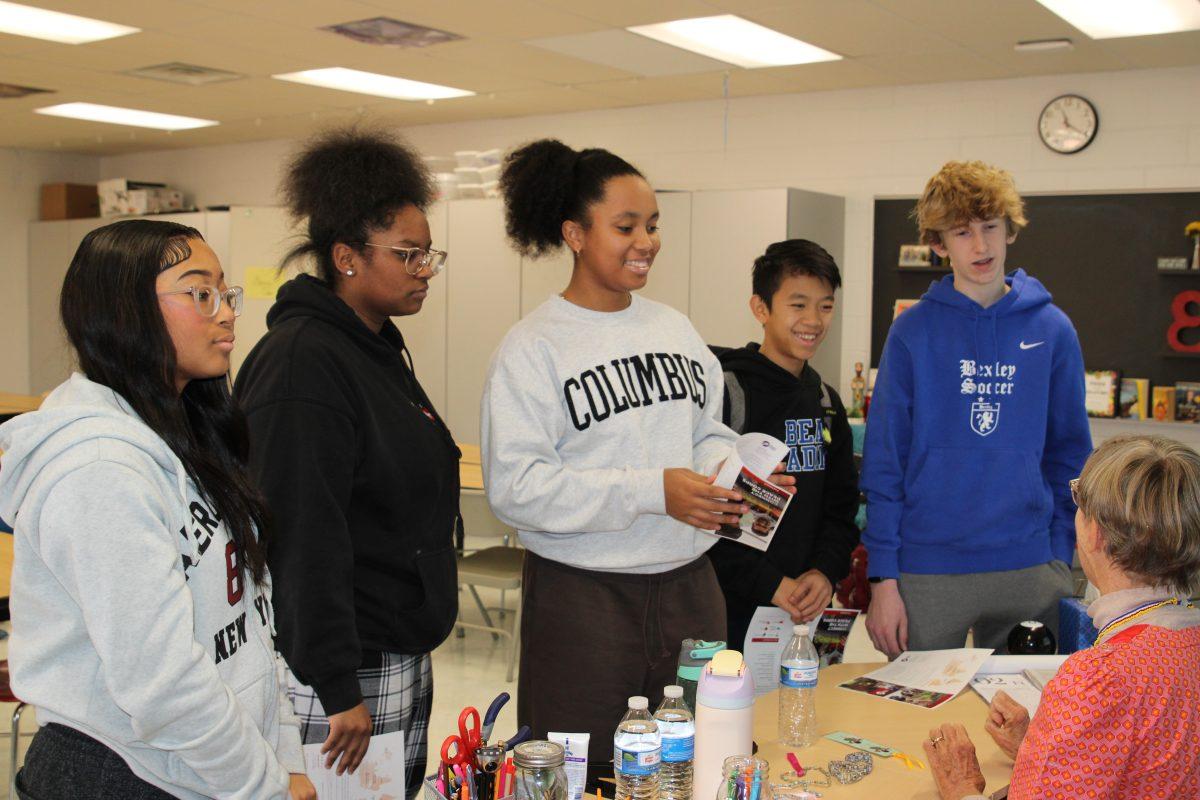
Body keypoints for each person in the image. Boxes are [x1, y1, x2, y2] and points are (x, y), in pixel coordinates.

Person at [482, 139, 770, 789]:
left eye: (653, 225)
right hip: (583, 599)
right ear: (575, 234)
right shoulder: (532, 348)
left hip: (693, 593)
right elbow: (515, 488)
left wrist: (734, 469)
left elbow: (707, 430)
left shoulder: (676, 330)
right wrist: (651, 490)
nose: (646, 241)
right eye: (626, 226)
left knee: (696, 766)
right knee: (583, 777)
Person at [0, 220, 314, 799]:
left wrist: (285, 754)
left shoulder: (189, 433)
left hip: (204, 765)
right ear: (124, 312)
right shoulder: (99, 468)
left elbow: (249, 621)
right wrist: (264, 786)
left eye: (225, 292)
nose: (226, 313)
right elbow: (161, 682)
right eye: (200, 292)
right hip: (123, 773)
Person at [235, 127, 460, 794]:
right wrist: (337, 687)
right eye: (408, 253)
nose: (424, 269)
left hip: (389, 644)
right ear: (347, 257)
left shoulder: (373, 347)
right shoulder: (305, 363)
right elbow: (302, 536)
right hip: (340, 670)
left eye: (429, 254)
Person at [861, 160, 1092, 658]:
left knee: (1024, 725)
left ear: (1010, 229)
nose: (981, 246)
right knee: (915, 726)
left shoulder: (1053, 329)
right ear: (939, 243)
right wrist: (883, 577)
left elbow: (1071, 454)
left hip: (1030, 569)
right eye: (962, 233)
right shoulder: (912, 332)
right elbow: (884, 462)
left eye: (990, 228)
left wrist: (1057, 553)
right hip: (928, 570)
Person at [924, 435, 1200, 800]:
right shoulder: (1183, 642)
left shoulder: (1100, 679)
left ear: (1096, 533)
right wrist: (1043, 747)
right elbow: (1146, 763)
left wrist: (961, 789)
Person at [707, 239, 860, 651]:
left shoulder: (826, 401)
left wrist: (825, 572)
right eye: (798, 305)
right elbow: (705, 513)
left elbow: (841, 508)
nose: (813, 320)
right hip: (730, 611)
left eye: (825, 306)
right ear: (761, 308)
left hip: (808, 612)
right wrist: (771, 583)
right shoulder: (727, 393)